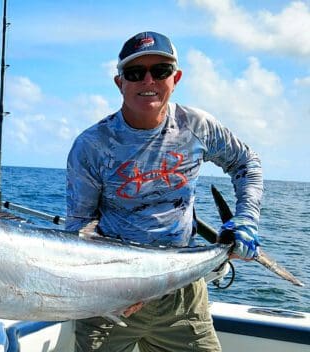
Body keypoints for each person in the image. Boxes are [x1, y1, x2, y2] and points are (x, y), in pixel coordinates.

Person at [66, 31, 263, 352]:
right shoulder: (91, 145)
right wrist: (112, 292)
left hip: (182, 298)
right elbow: (79, 229)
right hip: (109, 302)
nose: (148, 80)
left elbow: (247, 163)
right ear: (119, 83)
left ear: (176, 78)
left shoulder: (197, 126)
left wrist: (246, 220)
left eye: (160, 71)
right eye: (134, 73)